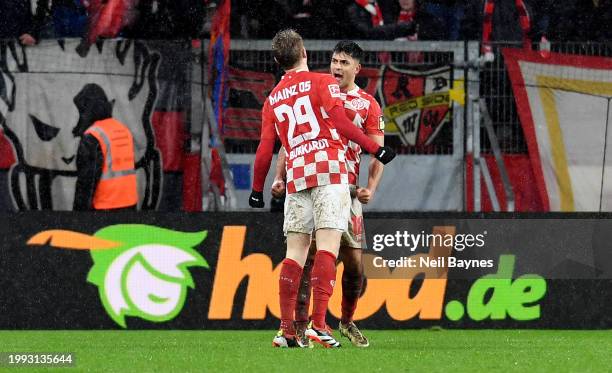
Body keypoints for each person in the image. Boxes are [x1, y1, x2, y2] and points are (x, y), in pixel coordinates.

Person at [249, 29, 395, 348]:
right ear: (305, 53)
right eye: (334, 60)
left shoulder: (277, 96)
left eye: (344, 62)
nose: (337, 66)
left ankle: (312, 325)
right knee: (320, 251)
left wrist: (256, 188)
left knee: (339, 261)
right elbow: (339, 126)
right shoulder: (321, 83)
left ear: (357, 68)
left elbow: (273, 144)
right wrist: (376, 148)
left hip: (320, 181)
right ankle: (310, 325)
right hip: (330, 172)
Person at [73, 84, 138, 211]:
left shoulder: (93, 136)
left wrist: (78, 216)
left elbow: (86, 183)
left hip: (104, 207)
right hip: (129, 205)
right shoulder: (124, 131)